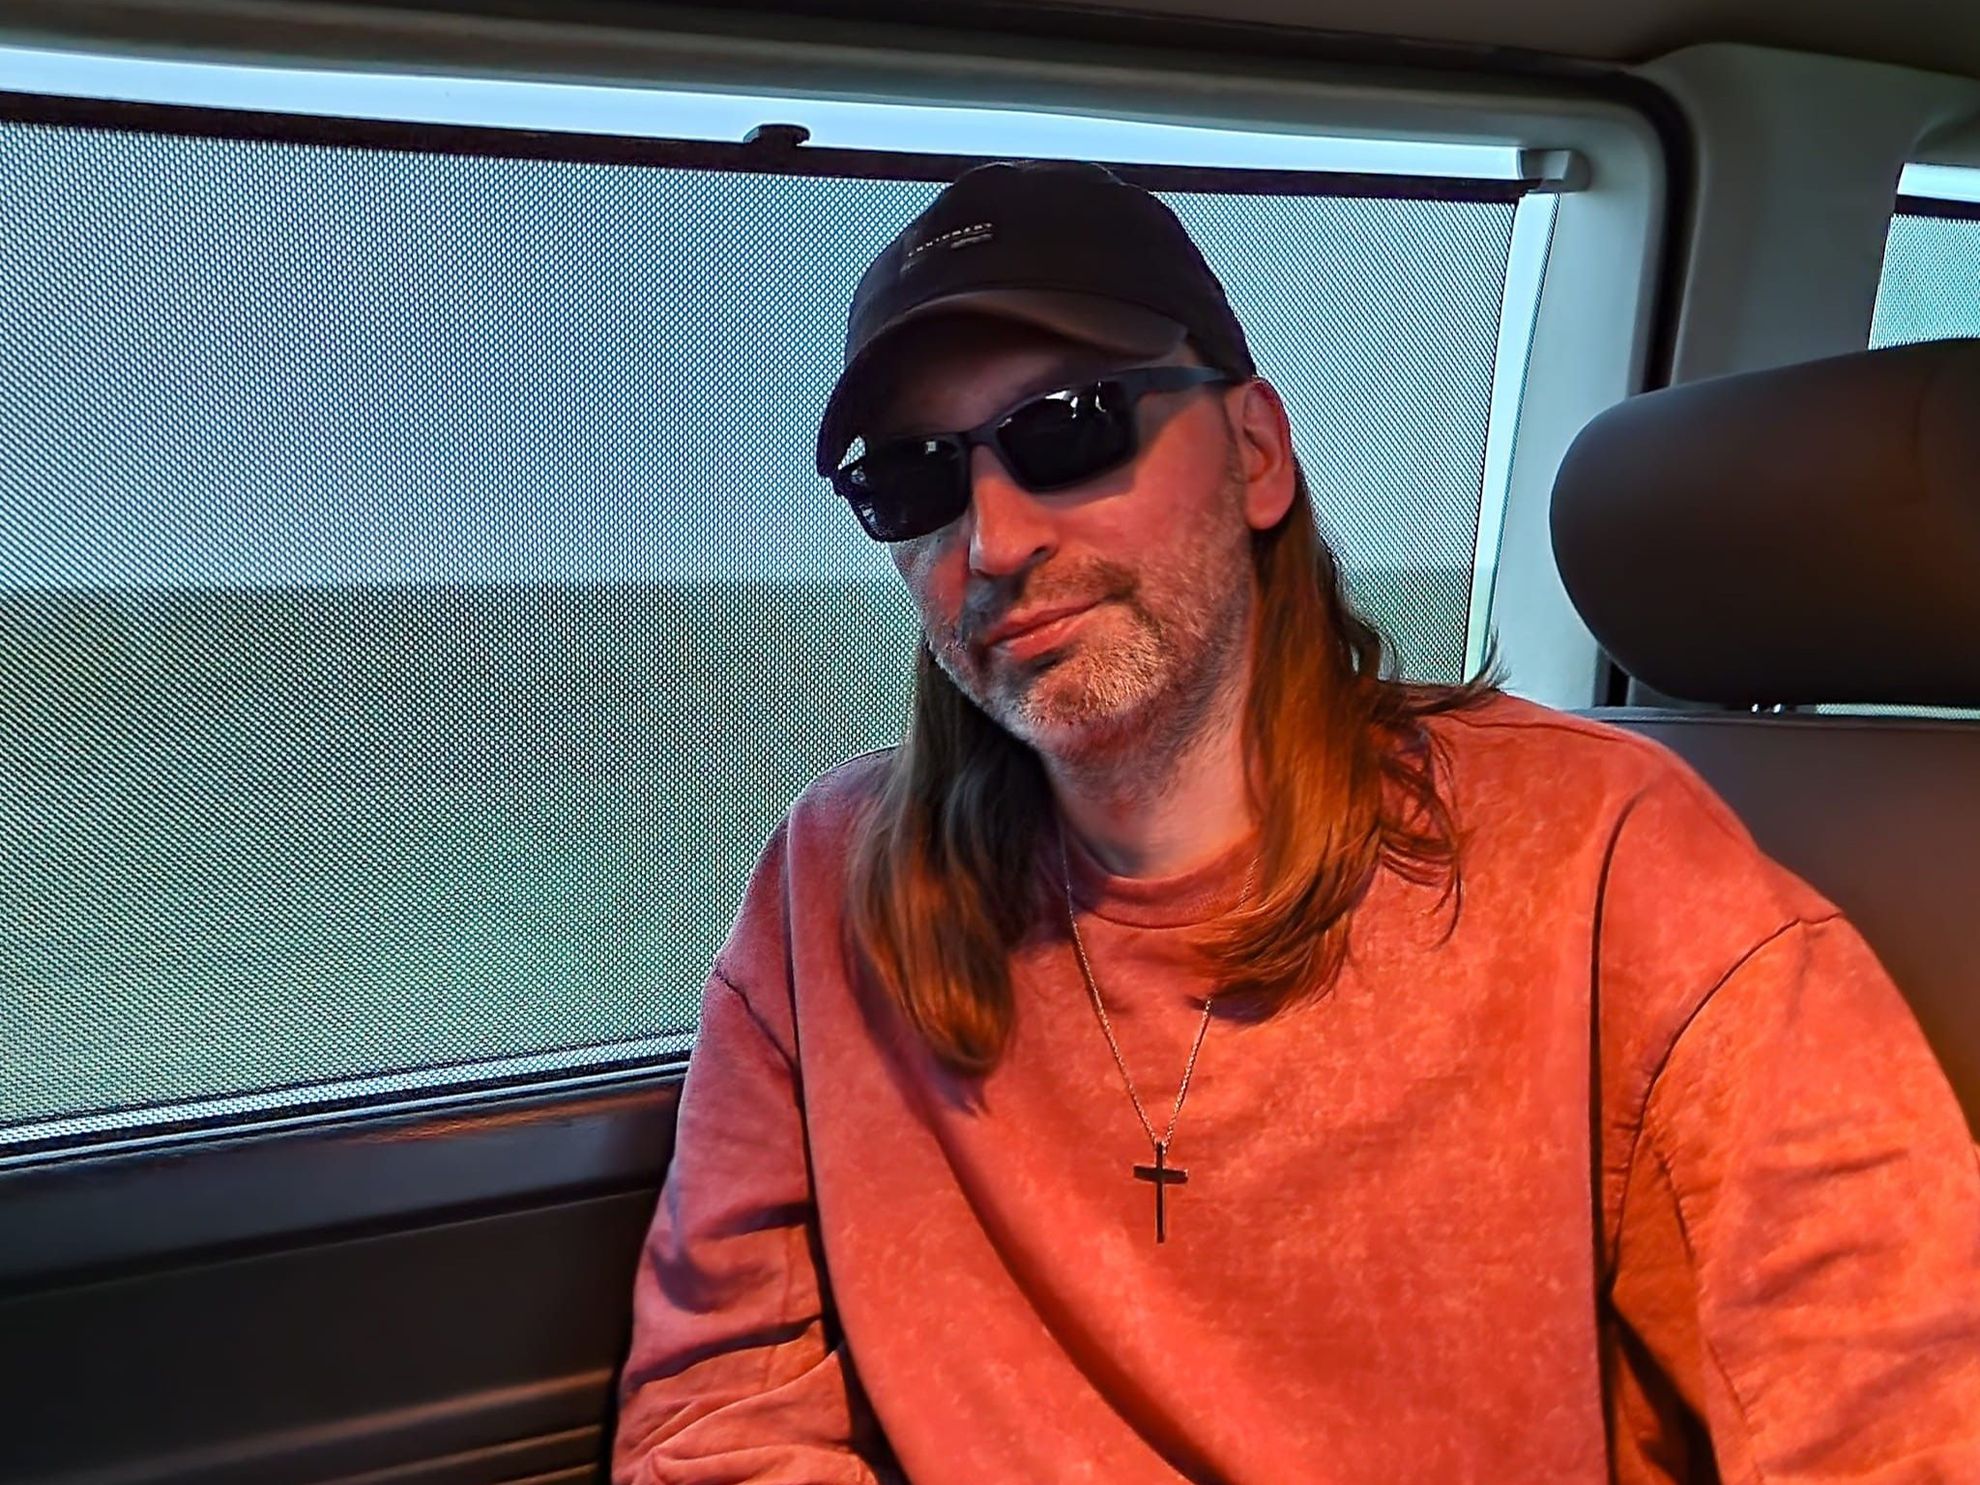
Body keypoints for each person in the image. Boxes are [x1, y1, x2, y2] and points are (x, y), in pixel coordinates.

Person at [611, 160, 1980, 1483]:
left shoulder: (1607, 868)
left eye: (1071, 426)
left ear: (1257, 453)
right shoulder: (833, 884)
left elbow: (1897, 1414)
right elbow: (719, 1410)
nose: (996, 541)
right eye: (913, 481)